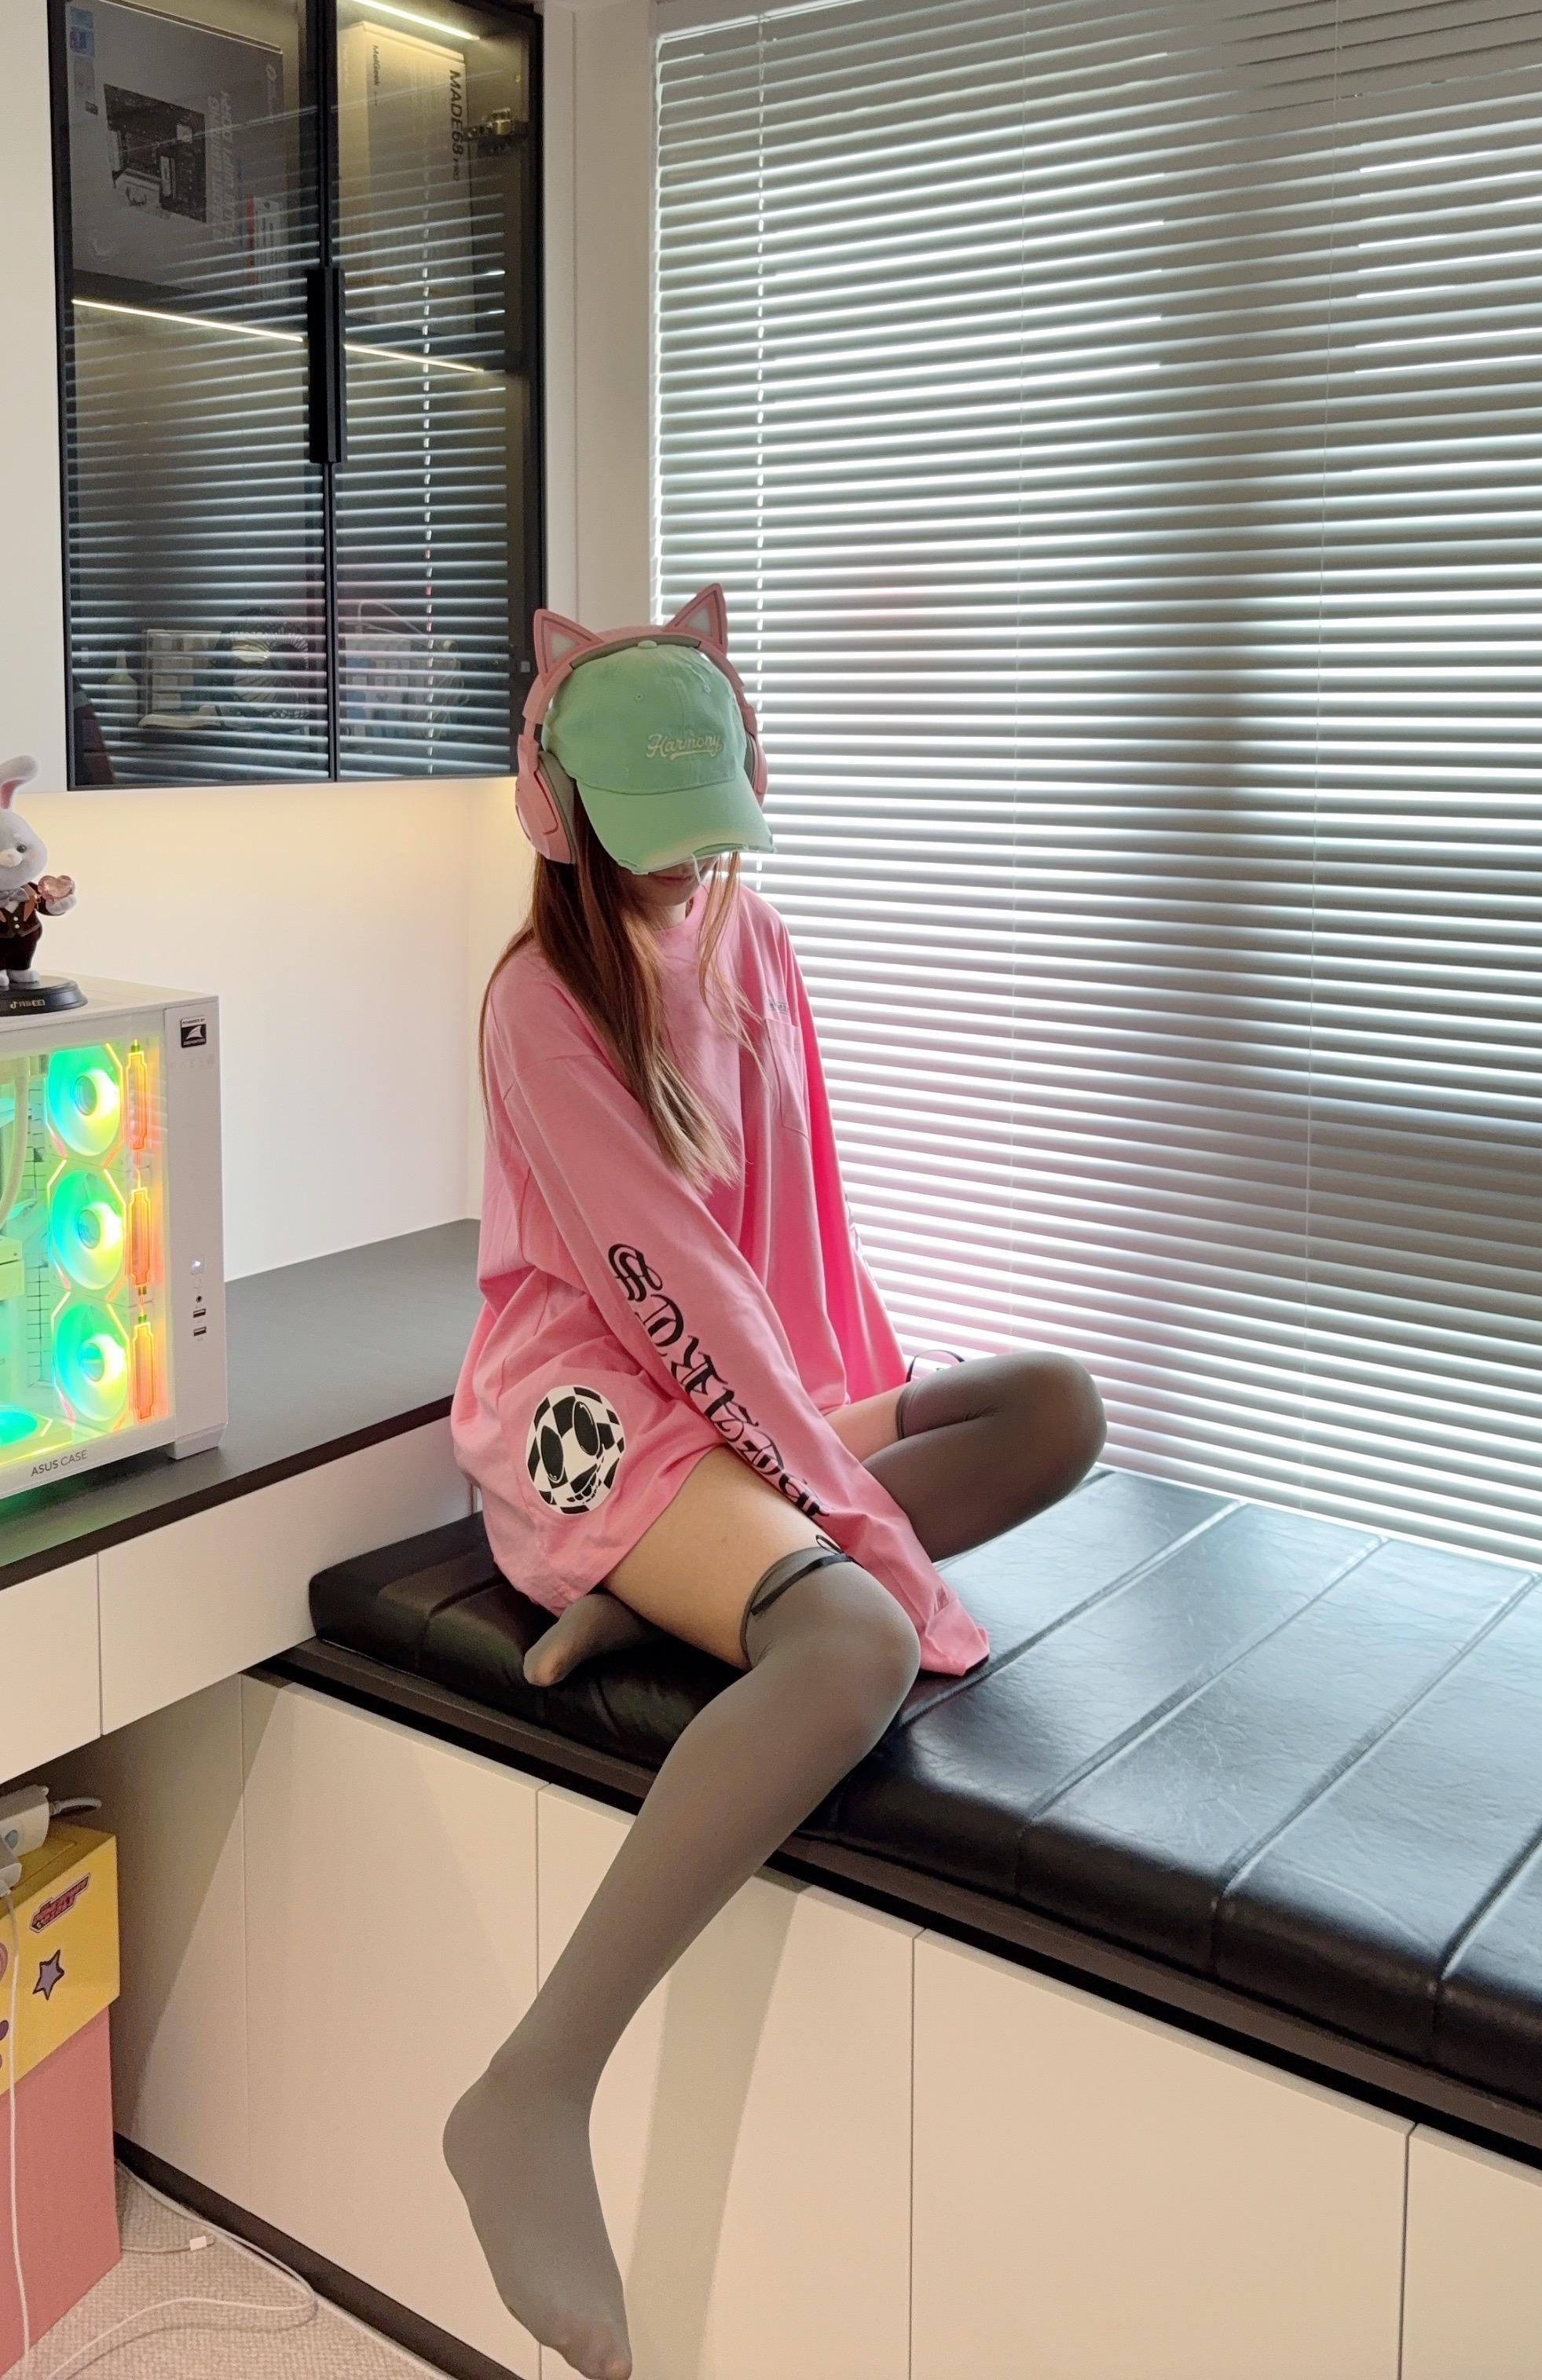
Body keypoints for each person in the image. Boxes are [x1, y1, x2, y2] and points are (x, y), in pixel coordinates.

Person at [444, 589, 1105, 2380]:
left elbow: (795, 1236)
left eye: (704, 827)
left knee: (1058, 1413)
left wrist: (821, 1436)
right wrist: (848, 1518)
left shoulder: (753, 939)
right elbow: (667, 1282)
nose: (686, 869)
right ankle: (530, 2089)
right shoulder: (535, 1004)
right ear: (567, 816)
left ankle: (676, 1578)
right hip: (593, 1397)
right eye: (650, 834)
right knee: (855, 1643)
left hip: (744, 1391)